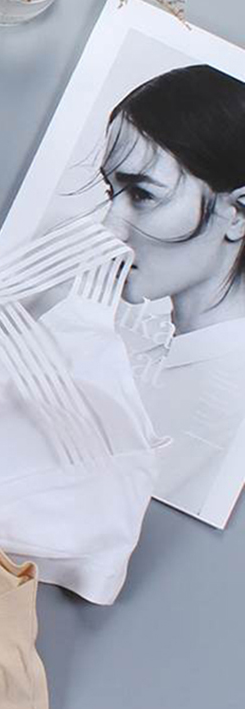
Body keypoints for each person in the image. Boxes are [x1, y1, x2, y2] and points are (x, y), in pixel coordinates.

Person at [99, 64, 245, 525]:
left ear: (238, 213)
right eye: (111, 190)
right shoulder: (137, 345)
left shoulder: (228, 394)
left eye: (143, 194)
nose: (109, 228)